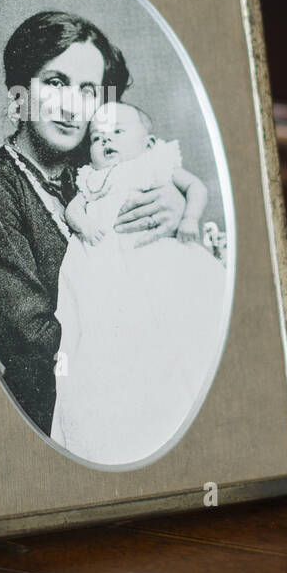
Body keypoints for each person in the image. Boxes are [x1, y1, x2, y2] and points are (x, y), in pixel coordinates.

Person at [0, 11, 185, 435]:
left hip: (129, 398)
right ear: (20, 93)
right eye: (55, 82)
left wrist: (173, 203)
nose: (71, 106)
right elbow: (37, 349)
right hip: (53, 422)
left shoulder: (94, 170)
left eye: (88, 91)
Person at [51, 102, 228, 465]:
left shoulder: (158, 164)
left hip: (158, 258)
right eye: (98, 138)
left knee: (182, 322)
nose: (106, 142)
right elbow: (73, 208)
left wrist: (190, 218)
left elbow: (196, 188)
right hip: (106, 268)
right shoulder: (92, 179)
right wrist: (83, 225)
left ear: (148, 143)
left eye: (117, 133)